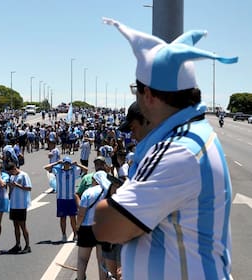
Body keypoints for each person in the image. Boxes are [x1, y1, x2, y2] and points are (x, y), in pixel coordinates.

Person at [94, 18, 237, 279]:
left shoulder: (177, 150)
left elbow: (107, 226)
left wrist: (112, 195)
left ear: (148, 95)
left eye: (135, 90)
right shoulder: (195, 136)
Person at [76, 170, 111, 280]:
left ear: (95, 180)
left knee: (82, 258)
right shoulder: (109, 192)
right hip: (103, 229)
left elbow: (81, 213)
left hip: (86, 228)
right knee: (102, 260)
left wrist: (77, 227)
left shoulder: (88, 192)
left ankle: (80, 278)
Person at [44, 156, 88, 242]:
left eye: (68, 163)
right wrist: (56, 163)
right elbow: (46, 168)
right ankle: (64, 235)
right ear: (63, 163)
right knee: (62, 218)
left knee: (73, 218)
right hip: (61, 198)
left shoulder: (73, 171)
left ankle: (75, 234)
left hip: (71, 198)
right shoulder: (58, 171)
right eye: (65, 163)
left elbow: (86, 170)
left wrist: (78, 164)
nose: (67, 165)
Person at [4, 161, 32, 254]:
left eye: (11, 171)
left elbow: (28, 188)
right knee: (15, 225)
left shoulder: (24, 175)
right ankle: (18, 244)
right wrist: (9, 192)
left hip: (21, 204)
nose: (11, 173)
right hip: (13, 204)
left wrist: (17, 185)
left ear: (14, 168)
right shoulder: (12, 177)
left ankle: (27, 245)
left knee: (22, 225)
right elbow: (11, 188)